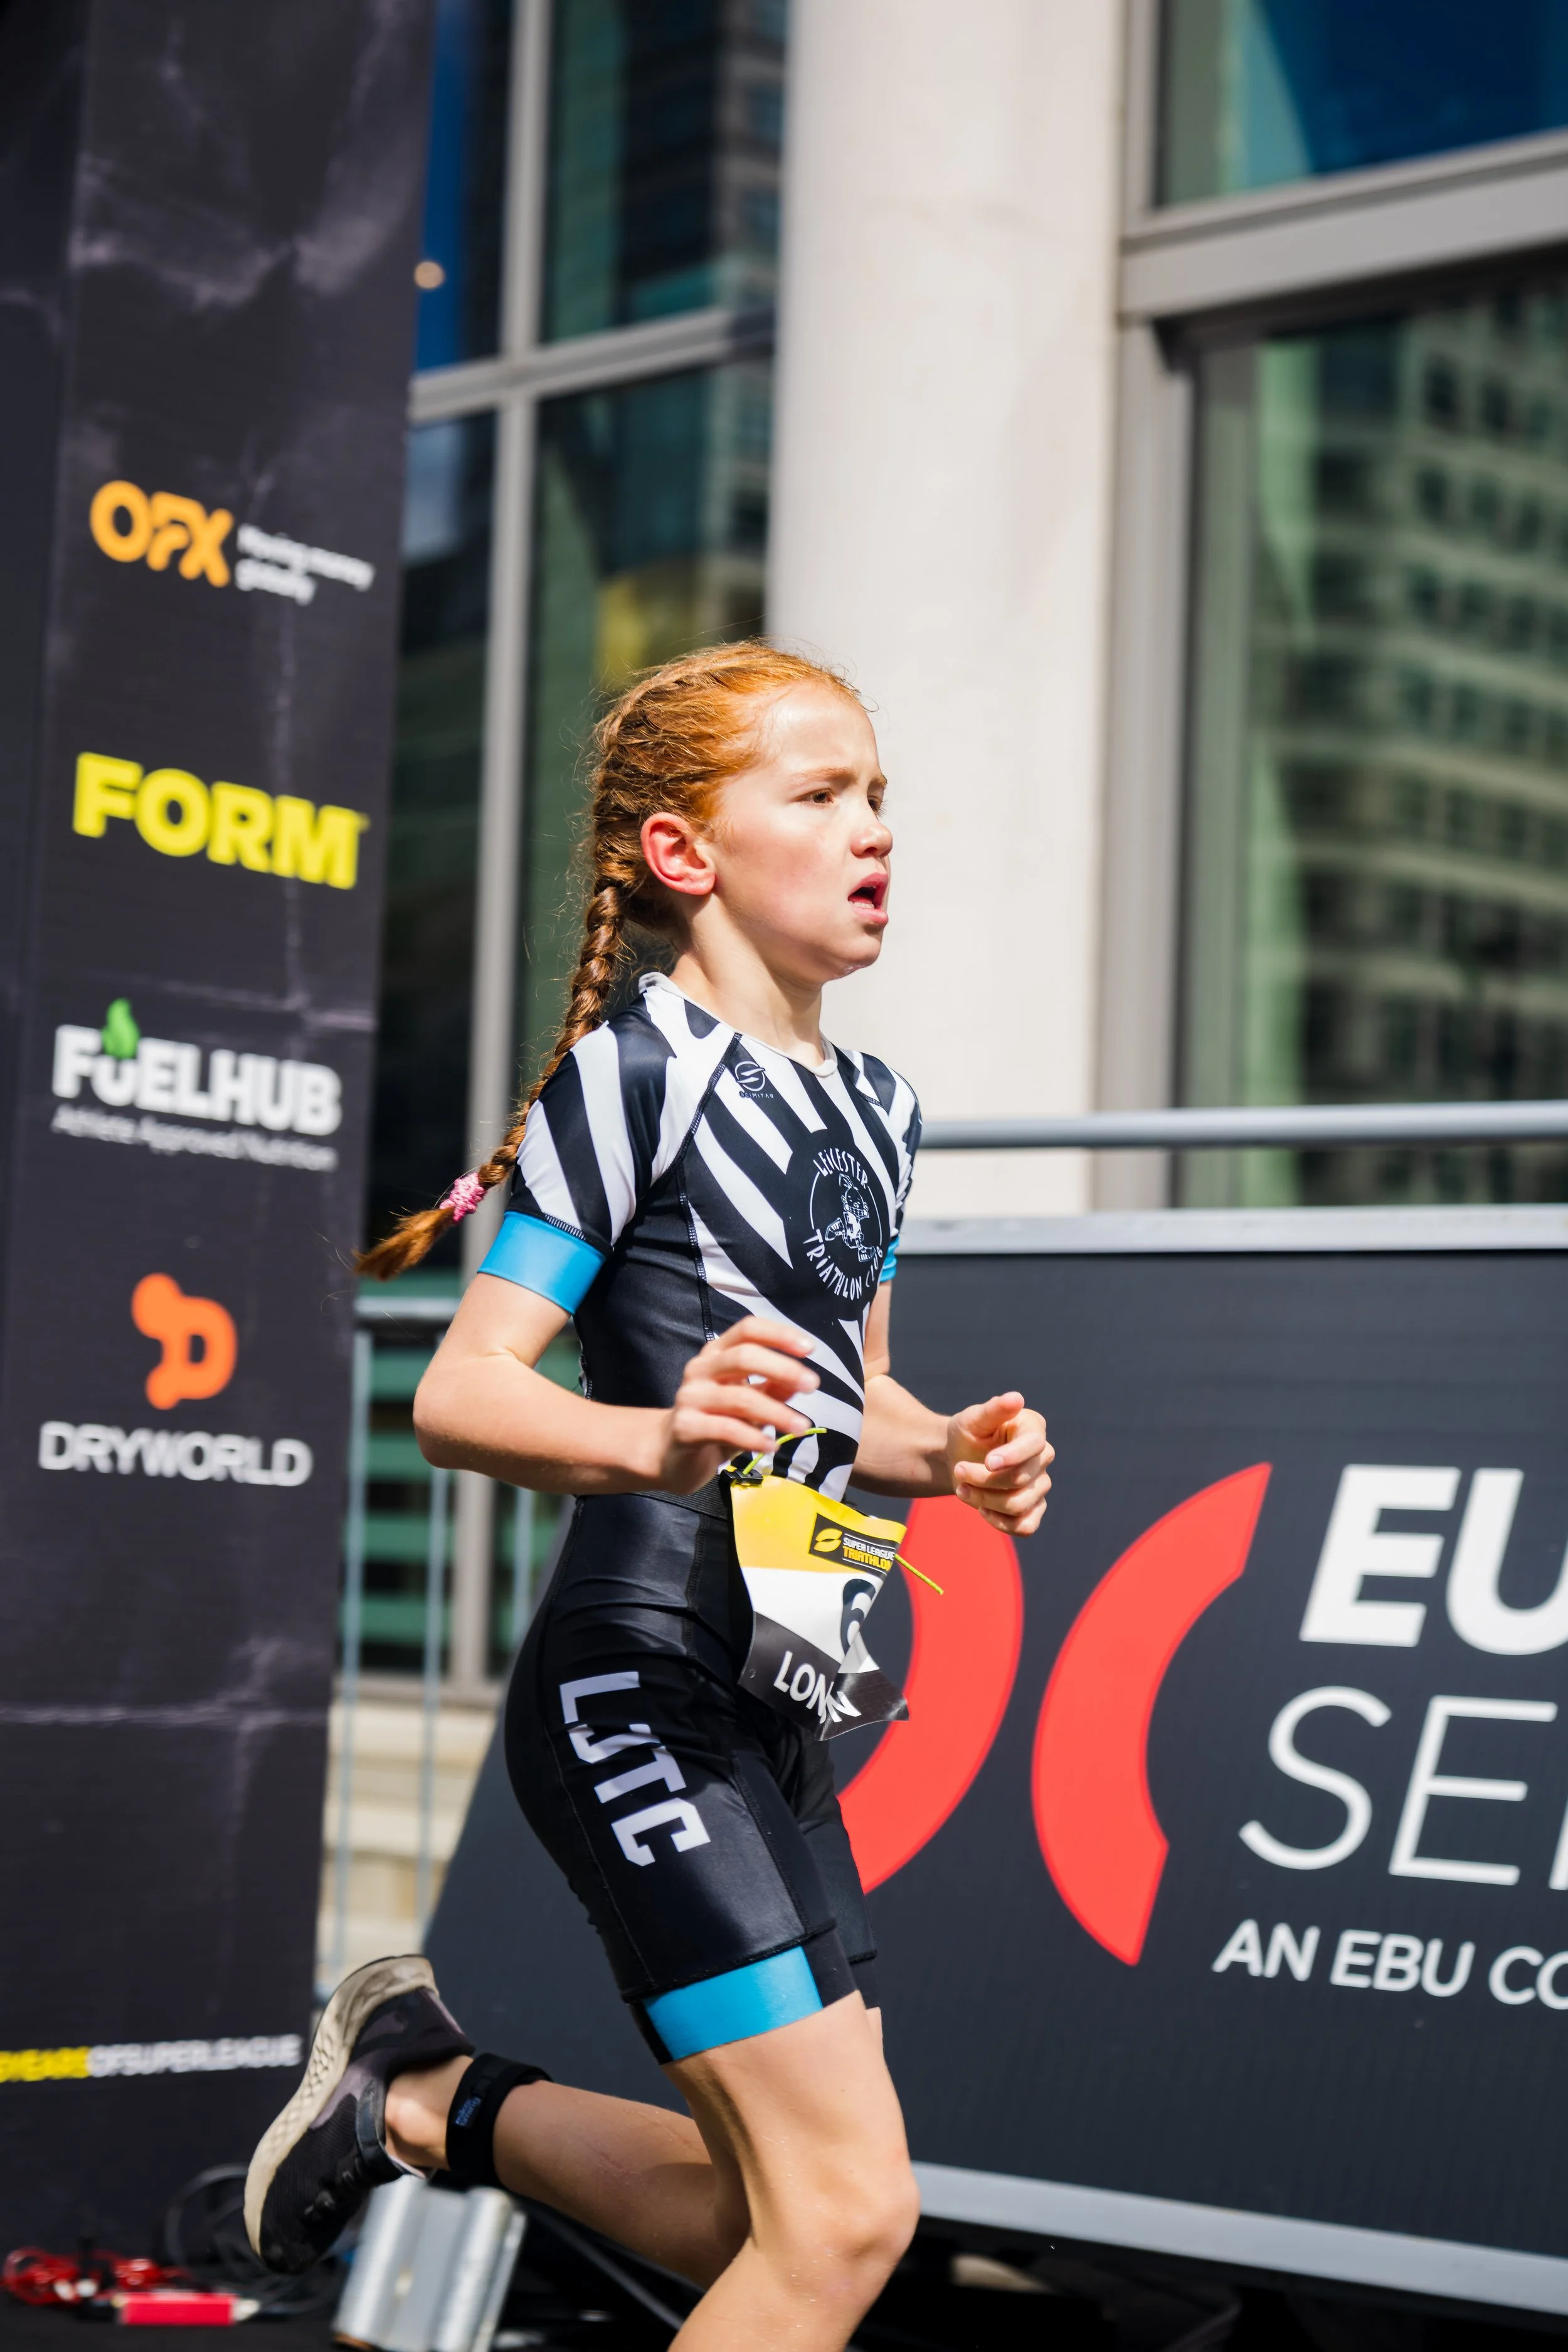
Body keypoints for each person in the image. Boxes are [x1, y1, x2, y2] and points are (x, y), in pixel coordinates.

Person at [244, 644, 1054, 2351]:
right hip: (635, 1682)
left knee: (768, 2214)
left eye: (878, 796)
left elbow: (848, 1408)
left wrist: (955, 1453)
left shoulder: (877, 1106)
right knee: (848, 2216)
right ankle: (415, 2088)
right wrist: (652, 1434)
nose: (871, 831)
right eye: (818, 795)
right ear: (684, 853)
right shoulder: (636, 1072)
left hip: (774, 1703)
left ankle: (422, 2095)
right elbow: (458, 1391)